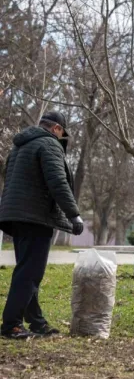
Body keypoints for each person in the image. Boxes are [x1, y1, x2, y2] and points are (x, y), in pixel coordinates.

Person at [0, 111, 84, 339]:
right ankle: (11, 325)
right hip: (35, 216)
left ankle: (37, 322)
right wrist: (74, 215)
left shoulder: (19, 146)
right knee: (30, 273)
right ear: (56, 128)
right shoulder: (49, 144)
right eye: (62, 134)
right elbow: (57, 181)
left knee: (27, 270)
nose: (62, 139)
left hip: (16, 215)